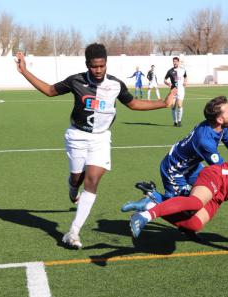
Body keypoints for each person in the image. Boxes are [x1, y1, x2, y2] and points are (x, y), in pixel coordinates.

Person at [15, 43, 176, 249]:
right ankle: (73, 188)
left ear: (106, 64)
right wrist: (24, 71)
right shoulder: (76, 81)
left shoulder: (116, 85)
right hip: (77, 136)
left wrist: (163, 102)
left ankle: (73, 232)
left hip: (100, 138)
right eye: (94, 66)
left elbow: (133, 104)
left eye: (101, 66)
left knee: (92, 179)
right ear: (87, 65)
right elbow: (49, 90)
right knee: (77, 177)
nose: (98, 70)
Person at [121, 95, 228, 214]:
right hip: (174, 170)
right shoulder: (205, 141)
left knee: (204, 194)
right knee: (181, 204)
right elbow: (222, 170)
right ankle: (151, 198)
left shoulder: (220, 127)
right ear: (220, 118)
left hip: (192, 167)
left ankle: (180, 221)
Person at [164, 57, 187, 127]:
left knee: (179, 105)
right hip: (173, 90)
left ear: (178, 62)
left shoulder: (183, 70)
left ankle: (179, 121)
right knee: (173, 106)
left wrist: (185, 82)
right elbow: (164, 80)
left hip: (181, 90)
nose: (175, 63)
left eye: (176, 61)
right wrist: (168, 84)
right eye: (174, 61)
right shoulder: (170, 71)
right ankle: (175, 122)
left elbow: (185, 76)